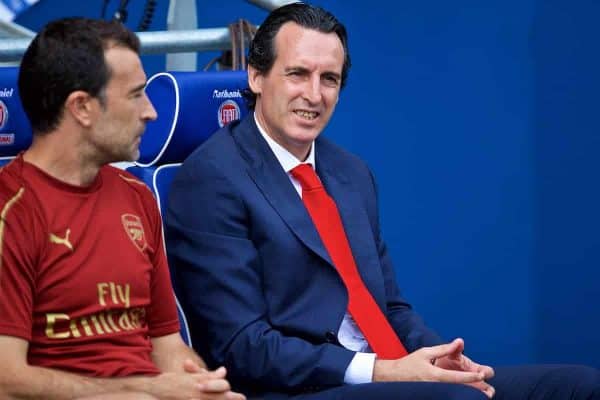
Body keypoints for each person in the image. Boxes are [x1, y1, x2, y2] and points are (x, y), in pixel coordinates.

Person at [165, 3, 600, 400]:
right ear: (256, 77)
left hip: (393, 375)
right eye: (297, 73)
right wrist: (383, 371)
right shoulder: (213, 178)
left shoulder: (350, 172)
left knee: (577, 386)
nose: (314, 95)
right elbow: (244, 346)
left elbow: (388, 306)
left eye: (329, 79)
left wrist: (436, 357)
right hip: (300, 388)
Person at [0, 17, 245, 400]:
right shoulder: (10, 211)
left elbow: (166, 345)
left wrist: (202, 385)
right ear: (81, 107)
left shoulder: (137, 195)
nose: (151, 112)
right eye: (136, 95)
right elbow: (5, 380)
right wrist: (147, 389)